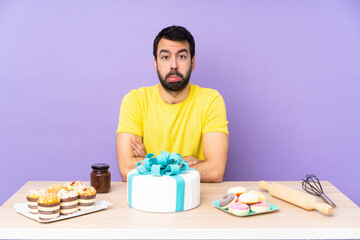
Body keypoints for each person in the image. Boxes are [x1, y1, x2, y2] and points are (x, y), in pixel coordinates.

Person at [116, 25, 229, 183]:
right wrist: (183, 162)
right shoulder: (135, 101)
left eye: (181, 56)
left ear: (193, 62)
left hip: (196, 199)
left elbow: (215, 171)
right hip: (148, 199)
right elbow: (126, 169)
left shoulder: (211, 100)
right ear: (155, 63)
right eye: (165, 57)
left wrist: (149, 161)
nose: (174, 65)